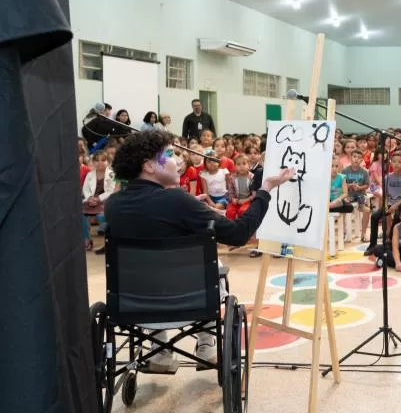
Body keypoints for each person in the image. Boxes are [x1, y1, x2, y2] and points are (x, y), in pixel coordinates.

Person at [104, 130, 292, 371]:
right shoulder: (177, 201)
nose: (177, 160)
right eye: (169, 155)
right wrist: (265, 190)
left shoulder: (113, 205)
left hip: (133, 305)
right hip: (189, 303)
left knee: (152, 270)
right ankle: (206, 342)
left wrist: (193, 210)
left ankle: (159, 349)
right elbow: (238, 234)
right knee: (214, 270)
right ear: (149, 166)